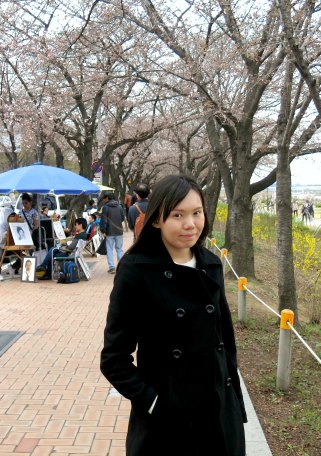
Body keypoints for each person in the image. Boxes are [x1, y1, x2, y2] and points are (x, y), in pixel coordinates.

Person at [100, 175, 246, 454]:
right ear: (157, 219)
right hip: (167, 423)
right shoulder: (136, 270)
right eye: (178, 215)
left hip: (218, 414)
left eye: (196, 213)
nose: (190, 224)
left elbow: (226, 343)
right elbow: (113, 359)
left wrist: (233, 404)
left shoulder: (210, 264)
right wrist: (155, 402)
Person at [99, 193, 125, 274]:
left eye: (104, 198)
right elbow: (122, 218)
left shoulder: (106, 207)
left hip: (109, 232)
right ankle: (121, 267)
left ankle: (112, 267)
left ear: (107, 198)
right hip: (119, 231)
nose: (103, 200)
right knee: (119, 249)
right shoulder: (119, 206)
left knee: (109, 250)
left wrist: (103, 231)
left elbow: (104, 221)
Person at [0, 200, 16, 280]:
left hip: (13, 246)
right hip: (2, 246)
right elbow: (2, 236)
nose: (12, 218)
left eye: (13, 216)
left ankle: (13, 267)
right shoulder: (2, 225)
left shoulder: (14, 223)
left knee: (23, 256)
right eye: (11, 216)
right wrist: (8, 232)